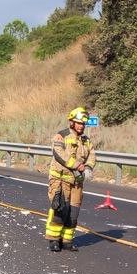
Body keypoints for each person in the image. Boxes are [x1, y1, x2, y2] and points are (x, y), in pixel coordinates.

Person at [46, 106, 96, 252]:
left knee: (73, 213)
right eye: (79, 123)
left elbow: (92, 155)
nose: (81, 126)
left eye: (83, 124)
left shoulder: (86, 141)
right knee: (60, 210)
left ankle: (67, 241)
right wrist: (77, 165)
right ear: (72, 122)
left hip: (77, 183)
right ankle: (54, 240)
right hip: (60, 181)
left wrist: (88, 167)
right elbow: (59, 154)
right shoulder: (61, 136)